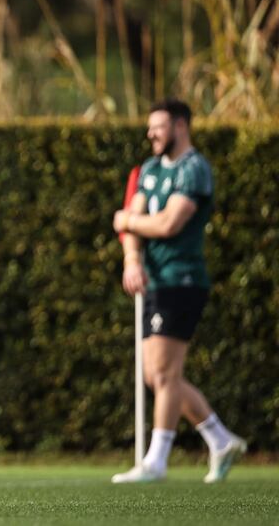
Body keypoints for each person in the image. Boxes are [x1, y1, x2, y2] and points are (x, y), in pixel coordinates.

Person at [111, 99, 246, 483]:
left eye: (159, 126)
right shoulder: (151, 169)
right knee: (157, 376)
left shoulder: (194, 169)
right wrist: (131, 260)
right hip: (153, 281)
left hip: (182, 280)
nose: (151, 134)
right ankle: (219, 439)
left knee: (165, 372)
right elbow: (132, 228)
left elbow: (169, 224)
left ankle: (156, 462)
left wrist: (130, 220)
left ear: (181, 126)